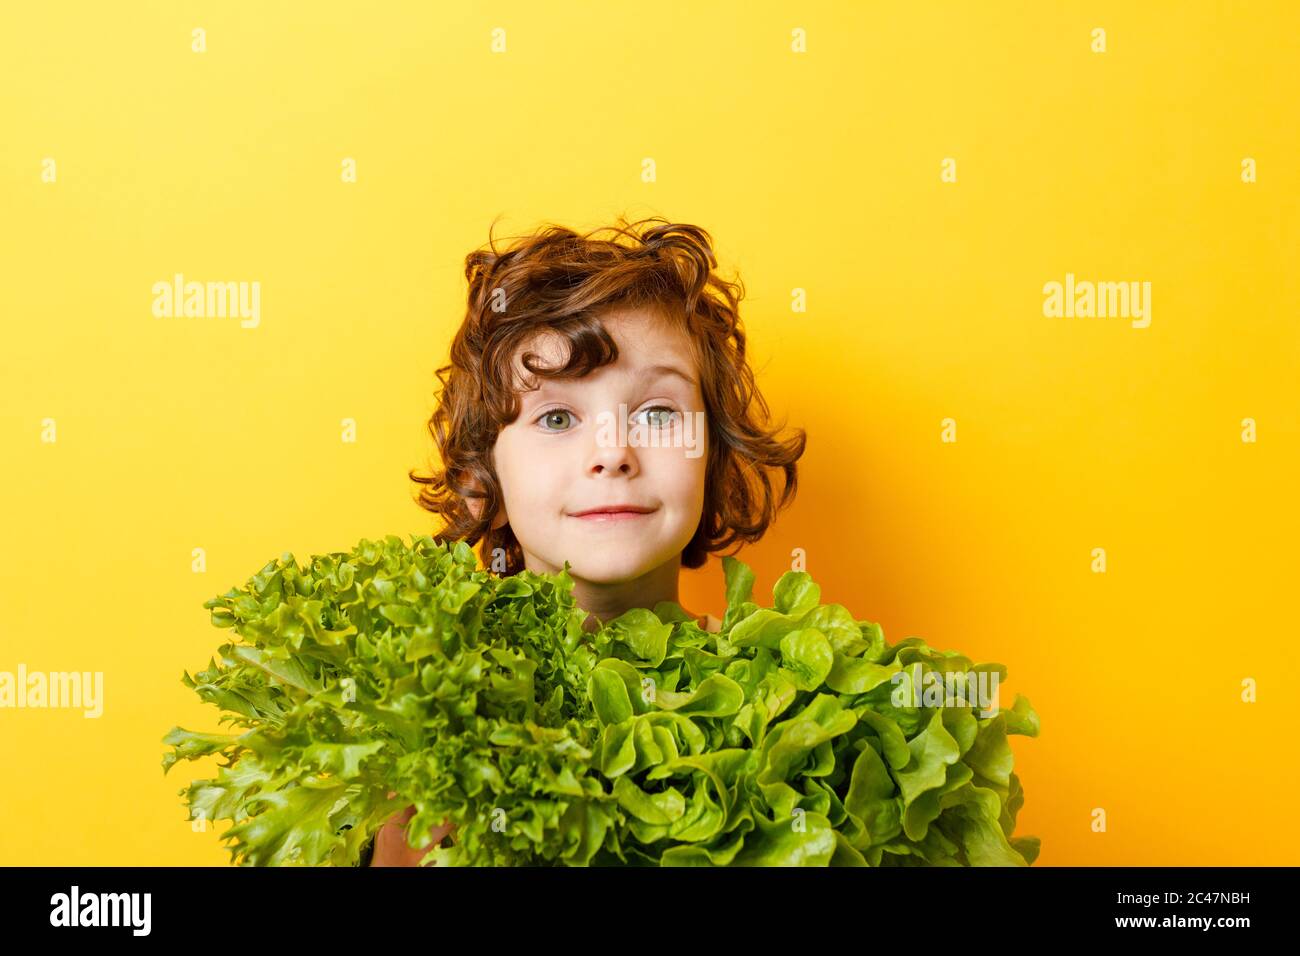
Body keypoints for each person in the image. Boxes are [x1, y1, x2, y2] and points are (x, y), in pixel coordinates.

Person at [368, 216, 805, 866]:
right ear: (480, 476)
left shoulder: (792, 702)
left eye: (658, 413)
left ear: (712, 457)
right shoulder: (419, 716)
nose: (613, 454)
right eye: (556, 417)